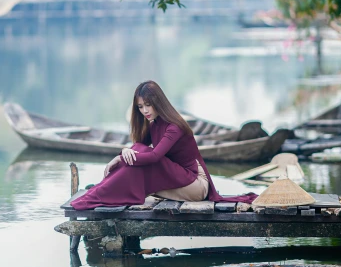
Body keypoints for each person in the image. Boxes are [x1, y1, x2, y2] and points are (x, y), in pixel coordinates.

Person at [71, 80, 257, 210]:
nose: (144, 111)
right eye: (140, 106)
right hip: (178, 178)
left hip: (196, 184)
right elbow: (139, 148)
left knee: (142, 161)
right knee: (138, 151)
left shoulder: (174, 127)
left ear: (158, 103)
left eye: (148, 105)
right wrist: (120, 156)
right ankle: (102, 191)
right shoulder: (155, 125)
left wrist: (127, 156)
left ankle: (102, 193)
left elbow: (154, 157)